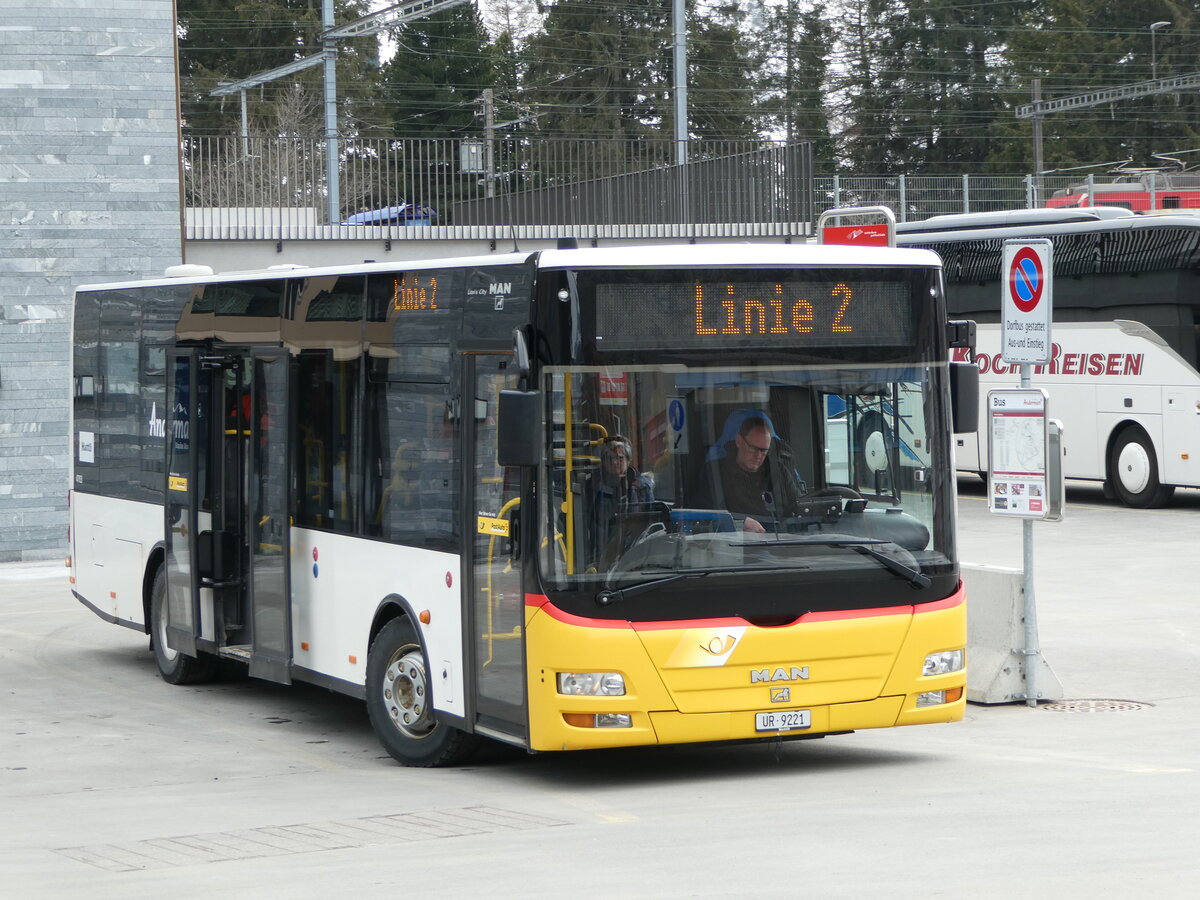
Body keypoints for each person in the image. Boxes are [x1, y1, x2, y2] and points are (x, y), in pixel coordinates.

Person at [706, 414, 803, 534]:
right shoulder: (716, 473)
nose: (758, 456)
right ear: (739, 441)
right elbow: (704, 514)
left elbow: (798, 508)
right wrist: (739, 523)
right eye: (753, 448)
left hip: (779, 544)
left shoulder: (778, 472)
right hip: (735, 546)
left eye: (763, 450)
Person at [584, 435, 654, 562]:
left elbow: (650, 523)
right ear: (603, 462)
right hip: (600, 555)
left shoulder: (642, 488)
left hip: (635, 553)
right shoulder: (591, 487)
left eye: (620, 458)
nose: (615, 462)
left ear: (628, 460)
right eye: (610, 458)